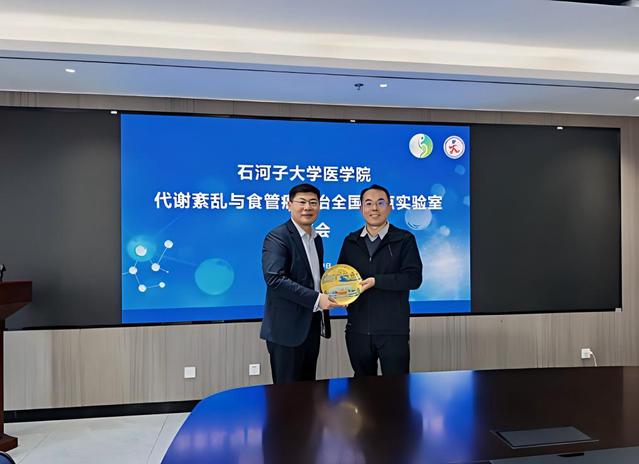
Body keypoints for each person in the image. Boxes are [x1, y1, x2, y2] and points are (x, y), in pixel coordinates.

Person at [337, 184, 423, 376]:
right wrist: (339, 295)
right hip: (357, 329)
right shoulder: (351, 241)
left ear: (390, 207)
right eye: (368, 203)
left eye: (380, 203)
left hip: (393, 330)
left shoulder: (404, 239)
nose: (374, 208)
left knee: (396, 387)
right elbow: (341, 277)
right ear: (361, 208)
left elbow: (413, 278)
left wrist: (376, 281)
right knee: (362, 387)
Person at [260, 183, 340, 384]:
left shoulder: (316, 238)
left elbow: (314, 277)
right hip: (286, 330)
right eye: (301, 202)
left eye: (313, 202)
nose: (307, 207)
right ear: (289, 205)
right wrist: (317, 299)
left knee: (308, 389)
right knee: (286, 393)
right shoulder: (278, 236)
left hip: (310, 325)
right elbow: (275, 279)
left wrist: (339, 291)